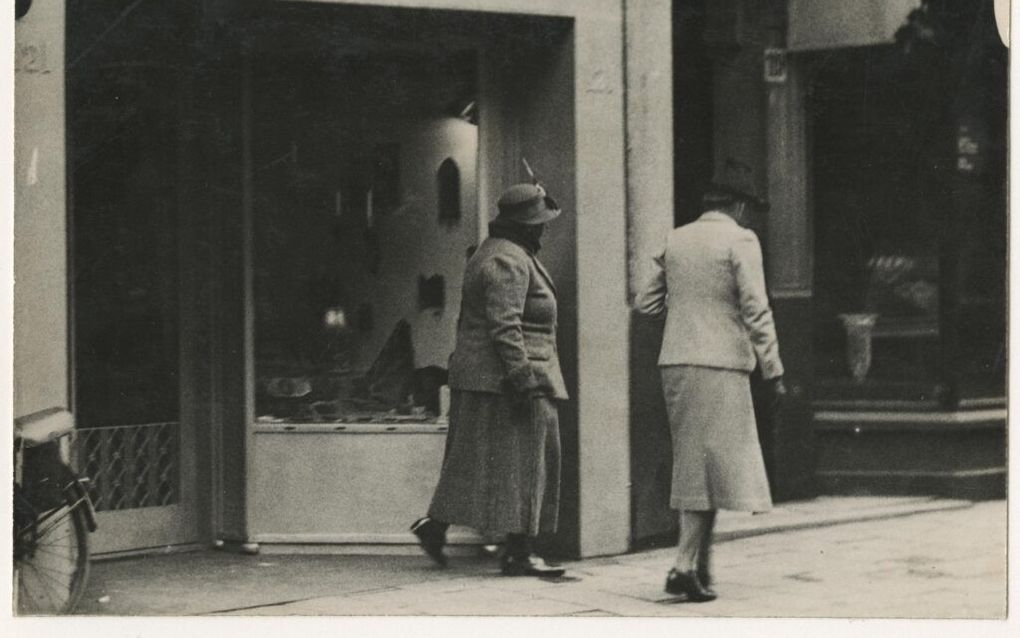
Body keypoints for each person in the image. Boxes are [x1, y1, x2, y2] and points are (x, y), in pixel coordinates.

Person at [634, 172, 786, 602]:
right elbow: (757, 310)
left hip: (678, 361)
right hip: (719, 364)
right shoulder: (741, 241)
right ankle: (684, 566)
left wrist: (688, 318)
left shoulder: (676, 239)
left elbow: (646, 303)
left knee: (700, 463)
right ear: (739, 207)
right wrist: (773, 369)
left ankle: (699, 566)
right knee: (705, 469)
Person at [411, 181, 568, 578]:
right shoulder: (507, 260)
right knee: (529, 461)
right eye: (539, 223)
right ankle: (520, 552)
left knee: (474, 462)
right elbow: (505, 327)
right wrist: (524, 380)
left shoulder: (501, 253)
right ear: (524, 226)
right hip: (508, 378)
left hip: (488, 376)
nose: (544, 229)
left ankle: (436, 527)